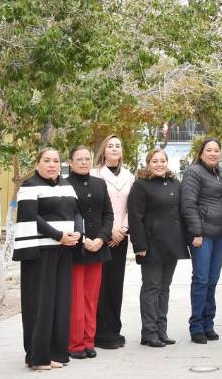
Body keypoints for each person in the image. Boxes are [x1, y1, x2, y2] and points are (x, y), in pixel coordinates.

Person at [14, 147, 82, 370]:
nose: (52, 164)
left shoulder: (66, 186)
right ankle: (37, 356)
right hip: (40, 253)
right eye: (47, 160)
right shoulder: (29, 186)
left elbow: (76, 212)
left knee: (60, 303)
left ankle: (55, 352)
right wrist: (59, 235)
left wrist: (78, 232)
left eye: (55, 161)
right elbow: (31, 216)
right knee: (40, 304)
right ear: (37, 164)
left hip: (64, 251)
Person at [128, 148, 190, 347]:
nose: (159, 164)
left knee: (164, 288)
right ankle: (149, 332)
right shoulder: (140, 185)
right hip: (151, 244)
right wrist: (139, 245)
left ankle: (161, 331)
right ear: (148, 163)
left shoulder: (174, 183)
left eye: (162, 161)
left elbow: (182, 212)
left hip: (171, 244)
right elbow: (135, 218)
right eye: (155, 161)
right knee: (151, 288)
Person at [65, 146, 114, 360]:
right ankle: (75, 344)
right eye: (79, 159)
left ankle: (89, 341)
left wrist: (101, 239)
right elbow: (66, 215)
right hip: (76, 248)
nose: (84, 162)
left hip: (98, 248)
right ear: (70, 162)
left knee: (92, 298)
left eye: (87, 159)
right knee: (75, 298)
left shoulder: (100, 183)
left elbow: (108, 214)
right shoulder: (64, 184)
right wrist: (84, 239)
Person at [181, 137, 222, 344]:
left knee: (212, 280)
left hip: (221, 235)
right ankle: (196, 326)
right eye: (208, 150)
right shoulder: (194, 172)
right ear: (201, 153)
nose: (212, 153)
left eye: (216, 150)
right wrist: (196, 232)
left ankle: (209, 323)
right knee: (201, 279)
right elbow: (188, 205)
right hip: (203, 235)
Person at [91, 134, 135, 349]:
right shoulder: (95, 174)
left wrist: (123, 229)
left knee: (116, 285)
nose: (115, 148)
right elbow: (95, 208)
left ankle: (114, 330)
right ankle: (100, 333)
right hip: (102, 237)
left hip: (121, 238)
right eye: (110, 145)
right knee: (100, 285)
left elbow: (131, 207)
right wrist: (108, 232)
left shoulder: (129, 176)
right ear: (104, 150)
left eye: (118, 145)